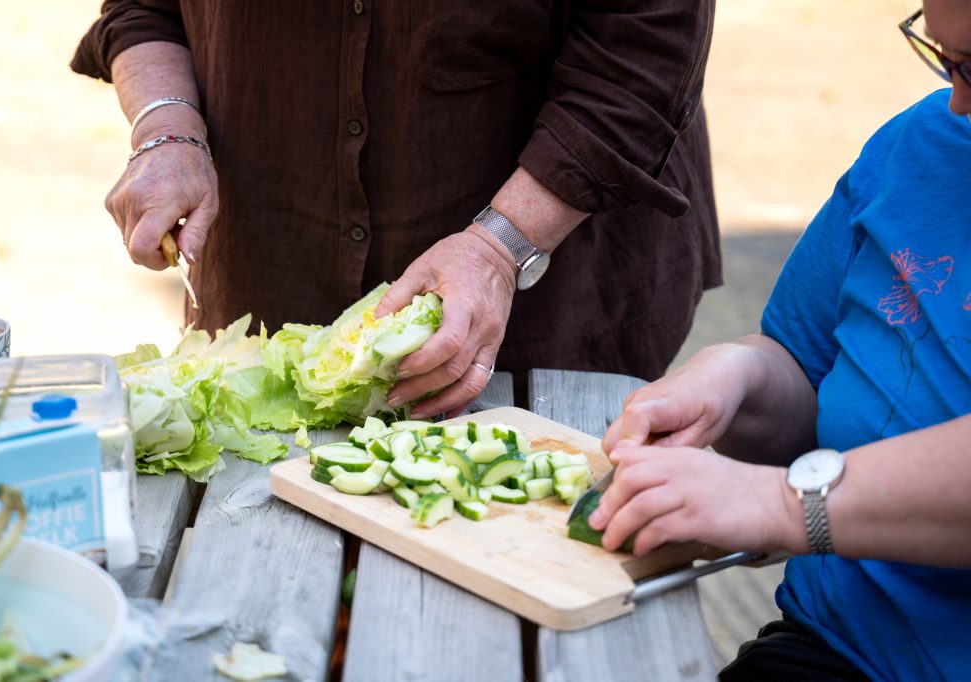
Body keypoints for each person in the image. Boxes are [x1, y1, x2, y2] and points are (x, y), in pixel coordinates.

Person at [70, 1, 721, 418]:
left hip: (555, 299)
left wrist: (500, 247)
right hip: (270, 268)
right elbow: (146, 6)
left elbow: (643, 47)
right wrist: (166, 127)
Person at [590, 2, 971, 679]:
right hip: (835, 646)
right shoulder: (916, 143)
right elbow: (803, 367)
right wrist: (731, 380)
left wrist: (780, 505)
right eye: (945, 58)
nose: (958, 103)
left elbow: (784, 494)